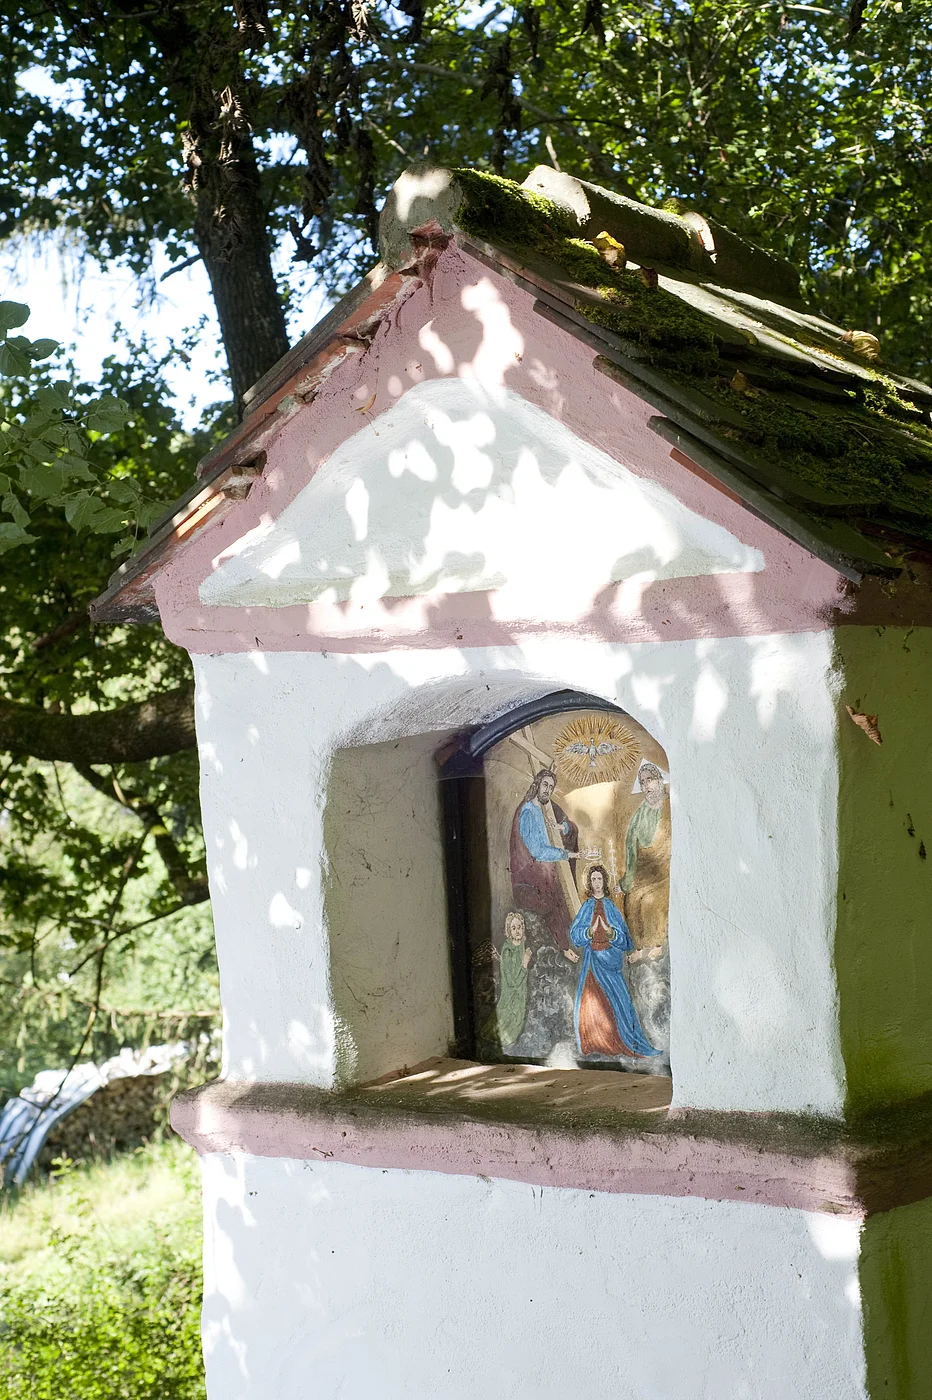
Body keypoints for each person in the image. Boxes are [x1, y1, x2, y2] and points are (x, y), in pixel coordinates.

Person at [568, 865, 659, 1059]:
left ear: (604, 882)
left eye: (599, 879)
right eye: (594, 879)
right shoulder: (586, 907)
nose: (597, 883)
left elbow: (625, 940)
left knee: (619, 1003)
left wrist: (611, 933)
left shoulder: (610, 907)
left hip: (611, 961)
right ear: (590, 883)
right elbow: (575, 935)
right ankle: (596, 1043)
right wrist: (589, 932)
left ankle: (620, 1041)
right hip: (593, 961)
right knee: (591, 1002)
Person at [510, 769, 580, 960]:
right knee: (552, 906)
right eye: (545, 785)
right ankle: (564, 949)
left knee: (563, 906)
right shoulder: (527, 812)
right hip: (531, 879)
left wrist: (563, 828)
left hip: (546, 875)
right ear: (537, 785)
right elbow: (537, 851)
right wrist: (567, 854)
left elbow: (568, 827)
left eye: (551, 787)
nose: (548, 790)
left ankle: (568, 946)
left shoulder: (544, 809)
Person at [618, 761, 670, 957]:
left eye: (650, 780)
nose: (646, 785)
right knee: (631, 901)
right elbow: (631, 845)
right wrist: (627, 880)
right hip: (642, 872)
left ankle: (657, 944)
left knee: (650, 902)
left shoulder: (668, 807)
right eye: (642, 782)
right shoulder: (642, 811)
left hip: (664, 873)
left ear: (659, 781)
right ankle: (639, 948)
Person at [481, 912, 532, 1049]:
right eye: (513, 928)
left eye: (519, 927)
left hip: (521, 992)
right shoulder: (507, 950)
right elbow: (512, 981)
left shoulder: (522, 944)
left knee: (517, 1020)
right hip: (511, 994)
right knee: (506, 1024)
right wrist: (524, 964)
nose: (517, 930)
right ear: (509, 930)